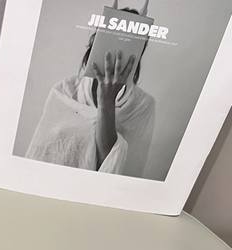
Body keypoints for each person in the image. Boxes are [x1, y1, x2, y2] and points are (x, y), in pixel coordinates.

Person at [26, 5, 155, 177]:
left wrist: (106, 101)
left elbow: (114, 168)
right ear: (97, 40)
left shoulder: (142, 105)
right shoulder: (64, 91)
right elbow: (42, 154)